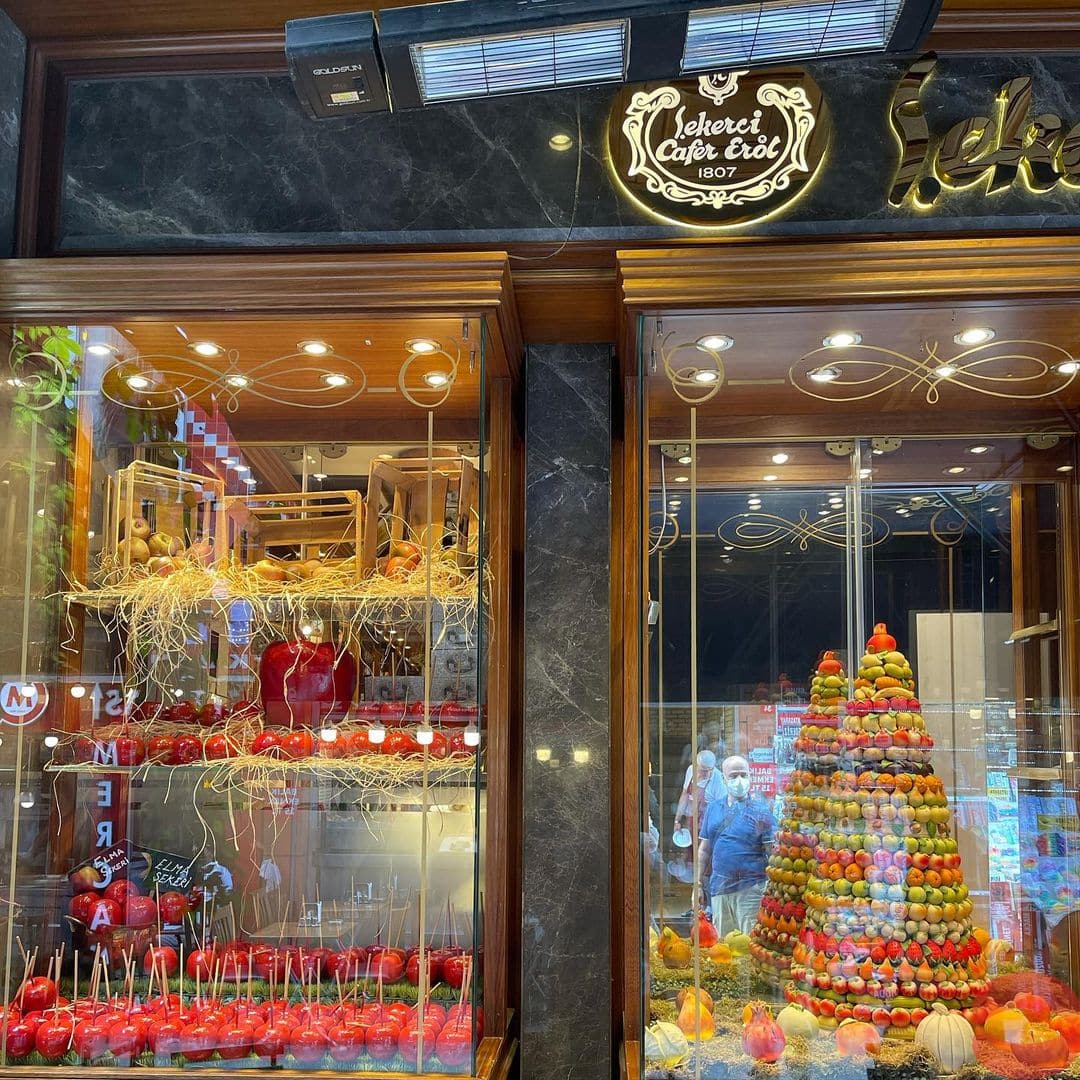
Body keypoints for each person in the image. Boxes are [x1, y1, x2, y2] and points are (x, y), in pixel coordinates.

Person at [697, 755, 774, 936]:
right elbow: (704, 850)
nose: (739, 780)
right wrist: (697, 884)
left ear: (750, 777)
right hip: (719, 889)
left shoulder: (761, 810)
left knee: (749, 942)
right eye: (733, 776)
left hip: (751, 889)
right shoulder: (713, 808)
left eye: (743, 774)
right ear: (724, 779)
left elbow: (772, 851)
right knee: (723, 944)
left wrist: (773, 886)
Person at [667, 750, 726, 885]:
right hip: (691, 819)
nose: (705, 774)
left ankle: (704, 885)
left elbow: (722, 810)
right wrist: (677, 820)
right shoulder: (690, 771)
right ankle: (692, 883)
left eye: (708, 770)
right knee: (690, 849)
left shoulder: (718, 781)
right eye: (702, 770)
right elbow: (684, 795)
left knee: (704, 855)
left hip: (708, 823)